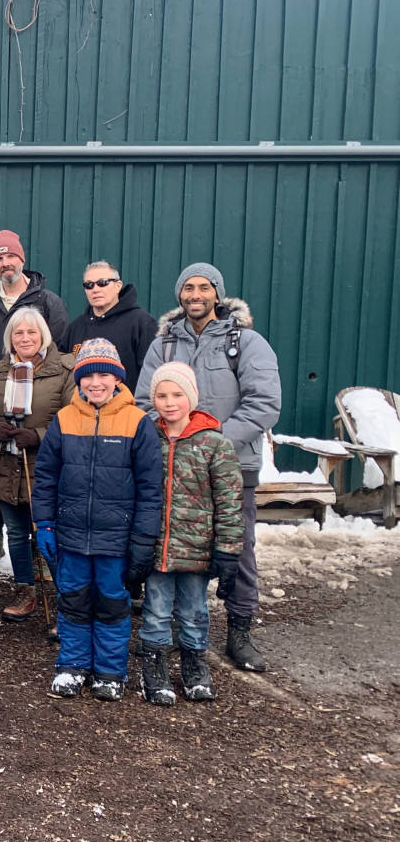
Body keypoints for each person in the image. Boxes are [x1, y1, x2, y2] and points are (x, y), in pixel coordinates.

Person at [135, 262, 281, 673]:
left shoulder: (245, 342)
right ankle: (179, 628)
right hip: (169, 462)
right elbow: (145, 402)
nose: (195, 295)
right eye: (188, 288)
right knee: (175, 542)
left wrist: (211, 444)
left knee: (238, 547)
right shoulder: (163, 344)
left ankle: (239, 628)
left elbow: (264, 402)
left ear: (217, 294)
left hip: (232, 463)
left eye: (204, 288)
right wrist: (171, 440)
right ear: (179, 295)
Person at [32, 338, 163, 701]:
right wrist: (44, 524)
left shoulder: (137, 422)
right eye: (88, 376)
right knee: (73, 601)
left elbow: (151, 489)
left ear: (117, 378)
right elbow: (45, 478)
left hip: (115, 539)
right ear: (79, 380)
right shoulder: (64, 419)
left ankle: (109, 671)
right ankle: (72, 666)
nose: (96, 383)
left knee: (111, 605)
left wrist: (141, 539)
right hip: (71, 536)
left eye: (104, 375)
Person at [136, 362, 244, 705]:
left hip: (197, 549)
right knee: (155, 609)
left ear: (191, 398)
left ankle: (195, 666)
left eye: (177, 394)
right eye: (162, 395)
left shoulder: (214, 444)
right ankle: (154, 666)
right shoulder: (148, 438)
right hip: (158, 547)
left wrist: (228, 549)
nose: (169, 402)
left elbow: (229, 500)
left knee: (195, 610)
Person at [0, 307, 75, 623]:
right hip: (5, 467)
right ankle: (25, 590)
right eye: (19, 333)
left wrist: (40, 434)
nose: (26, 338)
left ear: (43, 334)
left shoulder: (63, 371)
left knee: (49, 532)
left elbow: (74, 416)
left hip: (45, 469)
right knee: (16, 533)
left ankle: (68, 599)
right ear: (10, 338)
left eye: (32, 332)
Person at [0, 230, 70, 379]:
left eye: (11, 256)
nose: (5, 263)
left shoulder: (49, 303)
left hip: (38, 394)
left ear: (22, 260)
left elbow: (61, 353)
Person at [62, 260, 158, 396]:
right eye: (89, 285)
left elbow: (152, 375)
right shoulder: (76, 327)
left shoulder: (141, 322)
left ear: (118, 285)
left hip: (127, 411)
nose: (95, 289)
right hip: (82, 413)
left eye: (102, 283)